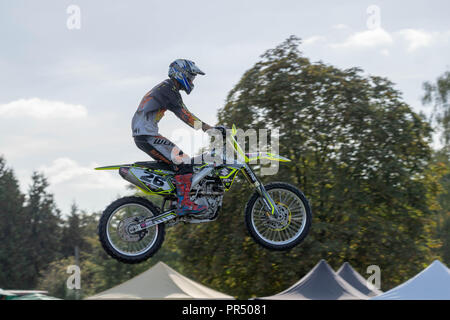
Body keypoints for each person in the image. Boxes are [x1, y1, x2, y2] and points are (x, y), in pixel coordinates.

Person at [131, 59, 213, 216]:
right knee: (185, 162)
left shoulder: (167, 88)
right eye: (190, 76)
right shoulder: (169, 90)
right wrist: (210, 130)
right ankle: (185, 204)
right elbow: (186, 116)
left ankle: (176, 200)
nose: (191, 81)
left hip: (144, 134)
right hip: (147, 135)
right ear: (181, 74)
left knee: (178, 165)